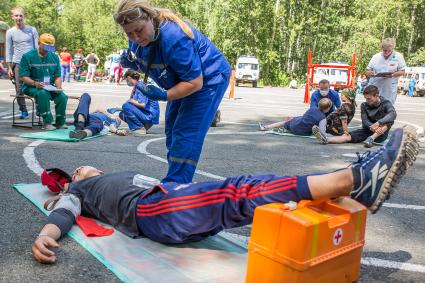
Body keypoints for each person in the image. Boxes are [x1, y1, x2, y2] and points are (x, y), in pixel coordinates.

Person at [31, 126, 419, 264]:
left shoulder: (109, 177)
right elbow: (64, 210)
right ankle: (352, 180)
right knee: (239, 191)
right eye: (76, 172)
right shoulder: (81, 189)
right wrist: (47, 234)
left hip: (167, 204)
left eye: (81, 168)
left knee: (244, 197)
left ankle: (345, 184)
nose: (81, 170)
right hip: (154, 211)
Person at [114, 0, 231, 183]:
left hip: (208, 78)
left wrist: (165, 95)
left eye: (139, 30)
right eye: (129, 33)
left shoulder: (173, 37)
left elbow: (194, 82)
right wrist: (134, 63)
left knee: (186, 132)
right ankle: (176, 180)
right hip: (182, 80)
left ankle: (176, 186)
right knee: (172, 130)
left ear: (150, 18)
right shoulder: (138, 42)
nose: (136, 37)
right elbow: (154, 62)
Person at [313, 85, 396, 148]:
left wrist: (378, 123)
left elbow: (393, 114)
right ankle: (326, 140)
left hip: (381, 133)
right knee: (347, 136)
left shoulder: (386, 103)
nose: (367, 101)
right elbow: (365, 121)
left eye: (369, 99)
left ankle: (371, 138)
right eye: (366, 98)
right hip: (368, 130)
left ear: (377, 95)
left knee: (389, 120)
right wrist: (371, 126)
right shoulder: (364, 105)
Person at [19, 33, 68, 131]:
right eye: (46, 46)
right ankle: (47, 122)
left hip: (49, 86)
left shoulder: (54, 57)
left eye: (50, 46)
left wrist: (58, 86)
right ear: (38, 43)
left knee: (62, 96)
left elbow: (57, 76)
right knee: (43, 93)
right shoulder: (28, 56)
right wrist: (34, 83)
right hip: (31, 87)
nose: (48, 49)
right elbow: (23, 76)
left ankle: (60, 122)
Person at [5, 6, 39, 119]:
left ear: (24, 17)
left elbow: (37, 48)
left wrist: (38, 62)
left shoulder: (32, 30)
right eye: (16, 15)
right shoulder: (10, 32)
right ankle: (23, 111)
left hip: (32, 63)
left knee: (37, 86)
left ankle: (40, 109)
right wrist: (9, 67)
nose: (18, 18)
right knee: (19, 89)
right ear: (12, 17)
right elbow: (8, 49)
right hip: (18, 63)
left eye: (20, 15)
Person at [109, 69, 160, 135]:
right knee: (122, 114)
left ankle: (139, 127)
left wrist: (130, 101)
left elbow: (142, 105)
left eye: (126, 80)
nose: (126, 82)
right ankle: (143, 126)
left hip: (150, 116)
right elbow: (134, 106)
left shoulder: (140, 86)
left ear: (129, 78)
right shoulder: (138, 85)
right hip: (147, 114)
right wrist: (117, 109)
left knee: (126, 106)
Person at [258, 98, 332, 136]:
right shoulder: (323, 118)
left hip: (294, 125)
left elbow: (307, 117)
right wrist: (332, 135)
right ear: (328, 108)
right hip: (303, 132)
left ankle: (265, 127)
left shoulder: (312, 108)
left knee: (285, 122)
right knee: (316, 127)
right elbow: (323, 133)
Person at [366, 38, 406, 105]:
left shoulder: (398, 57)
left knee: (387, 107)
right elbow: (367, 70)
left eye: (389, 50)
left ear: (393, 49)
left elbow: (402, 71)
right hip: (375, 86)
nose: (386, 52)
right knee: (373, 107)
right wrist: (370, 73)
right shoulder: (376, 57)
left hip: (390, 87)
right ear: (382, 48)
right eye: (384, 50)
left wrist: (393, 75)